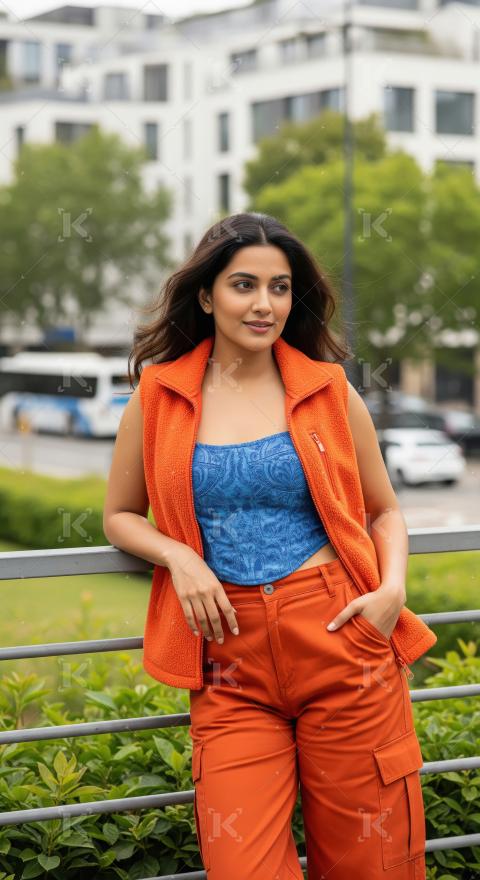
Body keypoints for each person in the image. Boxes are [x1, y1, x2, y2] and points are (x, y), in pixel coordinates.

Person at [103, 212, 436, 879]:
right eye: (244, 285)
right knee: (242, 865)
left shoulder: (328, 390)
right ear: (206, 294)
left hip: (343, 639)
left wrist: (390, 591)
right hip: (228, 660)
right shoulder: (160, 396)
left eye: (280, 288)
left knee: (371, 862)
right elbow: (119, 515)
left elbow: (384, 510)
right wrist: (180, 556)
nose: (264, 304)